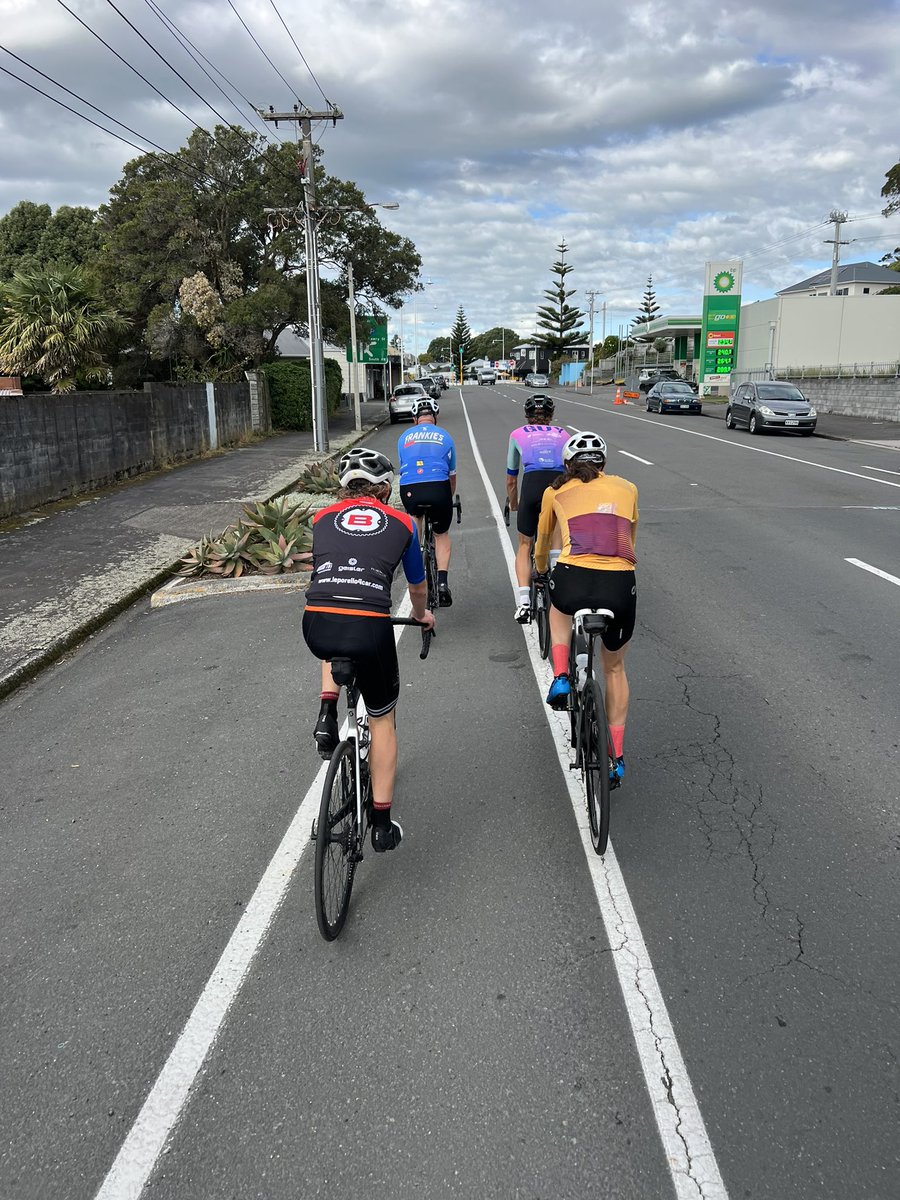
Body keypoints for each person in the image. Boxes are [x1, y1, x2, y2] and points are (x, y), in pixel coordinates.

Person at [303, 447, 435, 852]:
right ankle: (380, 823)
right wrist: (422, 615)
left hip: (317, 622)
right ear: (385, 488)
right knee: (382, 721)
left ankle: (327, 713)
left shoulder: (321, 518)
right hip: (370, 628)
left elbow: (327, 571)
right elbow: (416, 586)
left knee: (333, 628)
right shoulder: (403, 523)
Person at [533, 431, 638, 783]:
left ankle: (562, 677)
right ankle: (617, 758)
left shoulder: (554, 491)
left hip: (573, 576)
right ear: (604, 464)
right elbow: (630, 540)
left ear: (567, 465)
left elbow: (543, 540)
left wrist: (540, 570)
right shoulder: (628, 488)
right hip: (620, 583)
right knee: (614, 669)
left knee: (557, 607)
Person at [505, 394, 569, 623]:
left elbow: (512, 480)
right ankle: (559, 584)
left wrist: (515, 504)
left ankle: (524, 603)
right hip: (558, 486)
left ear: (526, 416)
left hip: (531, 487)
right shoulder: (564, 434)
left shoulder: (517, 434)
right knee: (554, 536)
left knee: (524, 544)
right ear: (551, 416)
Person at [397, 397, 457, 606]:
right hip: (439, 488)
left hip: (410, 489)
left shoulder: (403, 437)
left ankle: (416, 573)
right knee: (441, 535)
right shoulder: (446, 436)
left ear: (415, 418)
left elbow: (404, 469)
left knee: (415, 521)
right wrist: (447, 500)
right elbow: (452, 475)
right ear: (435, 416)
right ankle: (442, 583)